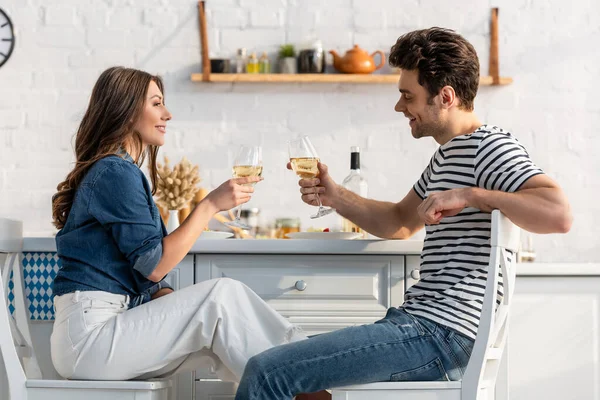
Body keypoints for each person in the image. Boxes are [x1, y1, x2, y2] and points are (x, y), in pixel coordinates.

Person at [234, 27, 572, 400]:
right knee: (291, 373)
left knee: (267, 372)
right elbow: (398, 222)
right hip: (425, 328)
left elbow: (558, 213)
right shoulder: (447, 155)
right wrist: (335, 196)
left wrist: (471, 195)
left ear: (445, 97)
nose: (399, 107)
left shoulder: (488, 148)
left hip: (440, 333)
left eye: (407, 96)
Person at [50, 66, 306, 382]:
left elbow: (148, 278)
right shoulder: (114, 172)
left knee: (231, 332)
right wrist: (209, 206)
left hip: (98, 331)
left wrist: (180, 308)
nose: (167, 114)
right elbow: (154, 265)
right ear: (127, 110)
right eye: (156, 103)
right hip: (89, 338)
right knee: (222, 297)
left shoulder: (119, 172)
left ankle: (301, 374)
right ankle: (309, 371)